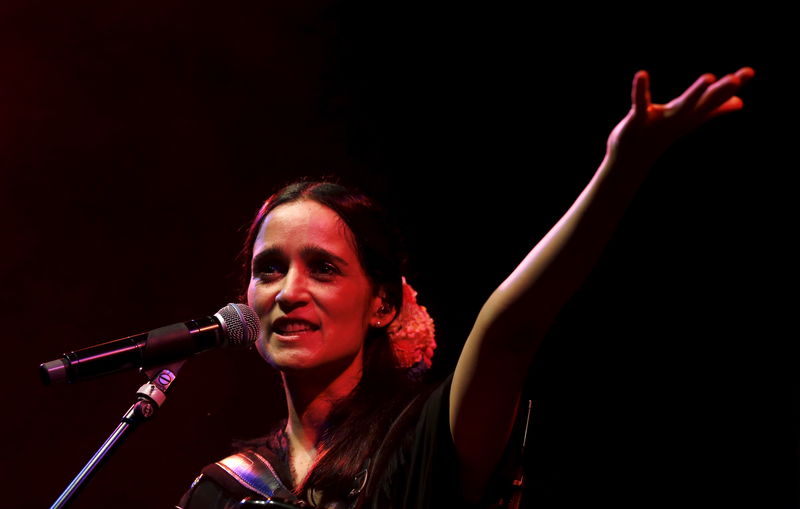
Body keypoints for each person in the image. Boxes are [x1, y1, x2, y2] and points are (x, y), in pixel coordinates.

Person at [177, 67, 755, 509]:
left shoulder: (424, 437)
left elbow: (509, 331)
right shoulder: (222, 489)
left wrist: (620, 169)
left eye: (323, 269)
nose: (289, 291)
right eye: (269, 269)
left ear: (383, 302)